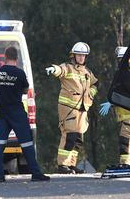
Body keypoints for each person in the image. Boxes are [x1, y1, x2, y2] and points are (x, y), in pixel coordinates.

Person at [0, 46, 49, 182]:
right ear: (16, 58)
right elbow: (25, 89)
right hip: (16, 112)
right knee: (27, 143)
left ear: (5, 57)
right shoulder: (20, 73)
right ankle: (35, 173)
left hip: (2, 112)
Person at [45, 41, 98, 174]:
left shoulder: (87, 72)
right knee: (69, 135)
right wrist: (53, 69)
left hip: (82, 108)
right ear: (73, 56)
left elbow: (95, 84)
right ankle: (62, 165)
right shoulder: (68, 67)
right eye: (78, 55)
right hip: (68, 108)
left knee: (78, 139)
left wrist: (91, 93)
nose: (81, 57)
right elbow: (60, 70)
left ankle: (71, 164)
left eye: (83, 55)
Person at [99, 47, 130, 167]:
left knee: (125, 138)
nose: (120, 61)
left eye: (122, 59)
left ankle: (125, 163)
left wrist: (112, 101)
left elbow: (127, 90)